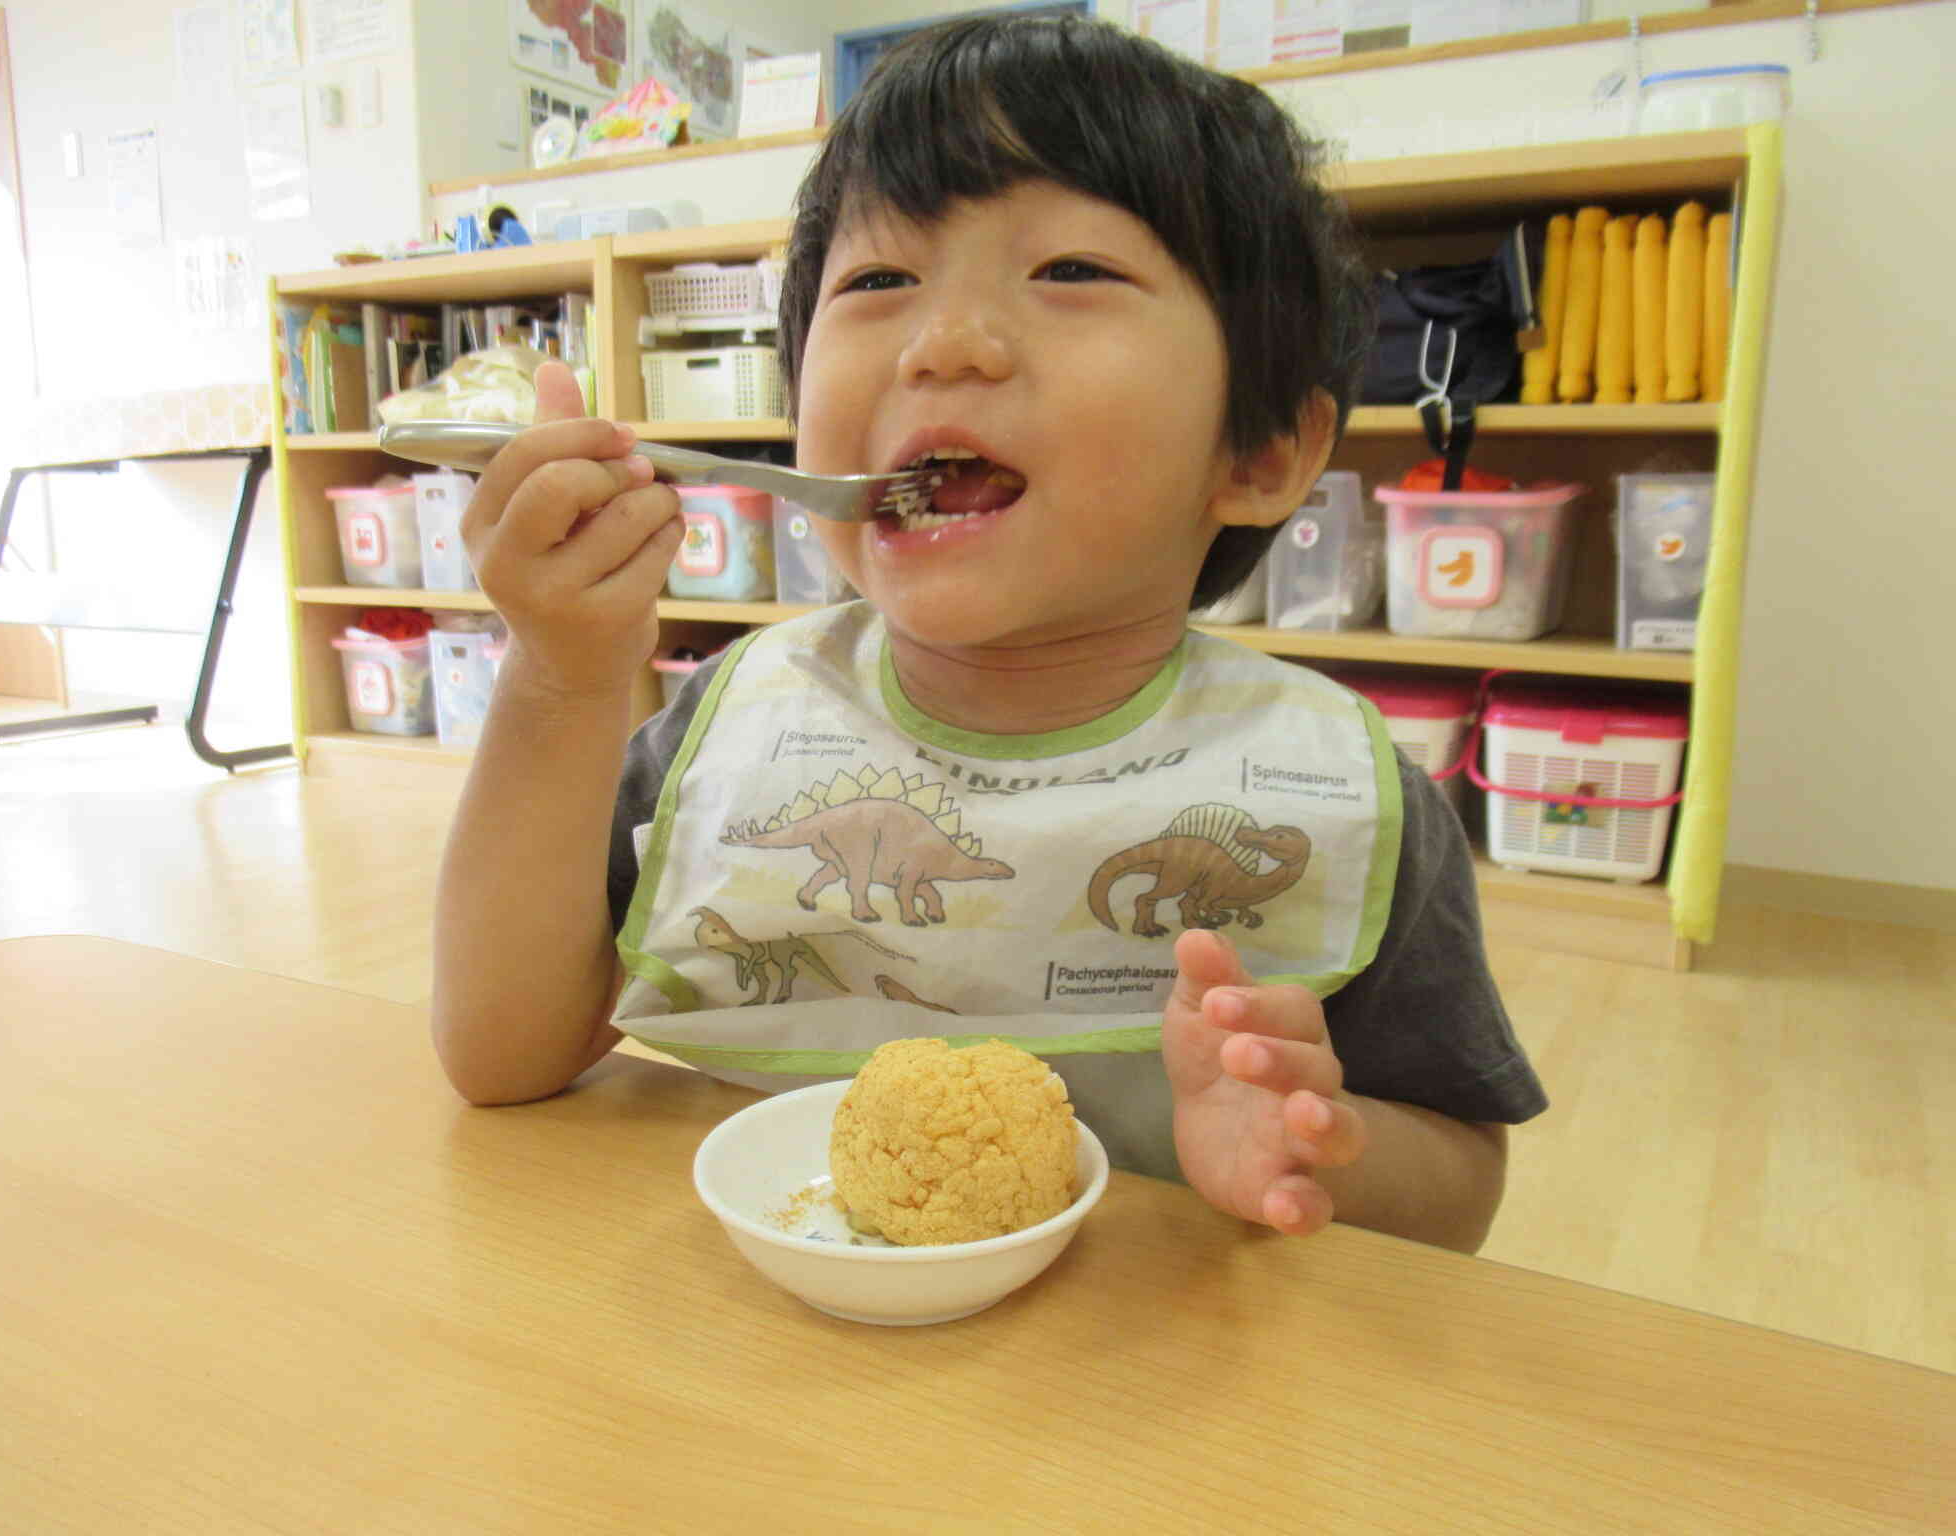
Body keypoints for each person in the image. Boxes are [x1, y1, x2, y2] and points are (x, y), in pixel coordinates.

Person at [432, 15, 1545, 1255]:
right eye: (877, 282)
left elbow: (1459, 1196)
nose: (940, 341)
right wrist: (561, 677)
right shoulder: (734, 724)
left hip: (1156, 1389)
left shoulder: (1330, 785)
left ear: (1260, 452)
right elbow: (501, 1058)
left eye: (1070, 270)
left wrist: (1310, 1146)